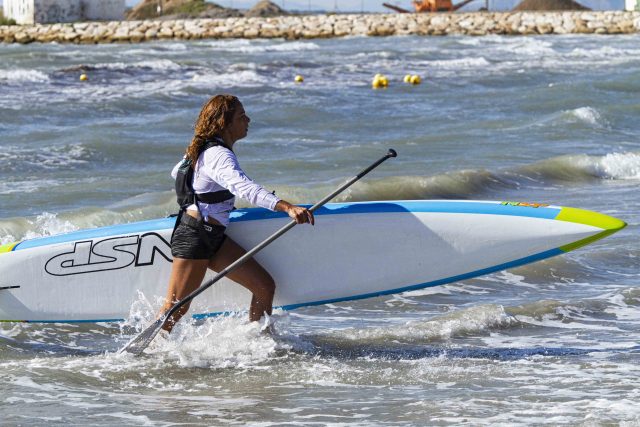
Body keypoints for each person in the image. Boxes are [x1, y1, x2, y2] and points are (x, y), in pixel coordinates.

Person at [161, 94, 314, 332]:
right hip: (194, 236)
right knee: (175, 308)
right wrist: (287, 207)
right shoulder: (219, 155)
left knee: (264, 286)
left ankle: (257, 343)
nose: (248, 119)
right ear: (225, 122)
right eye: (242, 116)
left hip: (212, 235)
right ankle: (147, 354)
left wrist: (207, 197)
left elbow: (176, 173)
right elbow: (245, 188)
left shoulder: (205, 149)